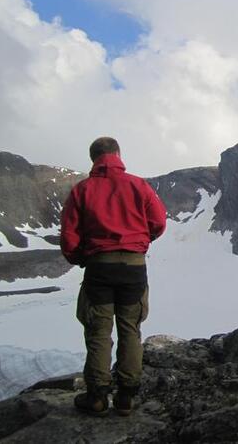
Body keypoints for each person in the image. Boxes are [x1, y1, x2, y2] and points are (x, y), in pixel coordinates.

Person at [60, 137, 166, 416]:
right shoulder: (138, 185)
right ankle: (126, 397)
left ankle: (96, 397)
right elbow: (158, 221)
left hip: (99, 267)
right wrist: (140, 242)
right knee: (130, 329)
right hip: (133, 266)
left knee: (98, 332)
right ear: (117, 154)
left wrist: (83, 257)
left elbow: (69, 236)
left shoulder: (82, 190)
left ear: (93, 158)